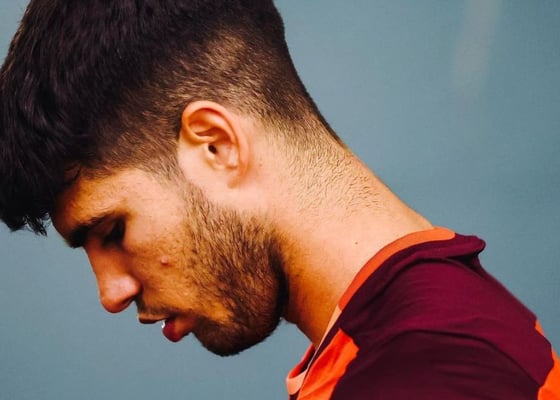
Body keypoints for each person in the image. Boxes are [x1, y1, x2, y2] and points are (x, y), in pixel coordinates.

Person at [0, 1, 558, 399]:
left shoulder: (429, 375)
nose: (111, 294)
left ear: (216, 147)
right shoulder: (421, 338)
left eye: (113, 231)